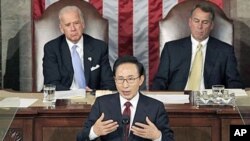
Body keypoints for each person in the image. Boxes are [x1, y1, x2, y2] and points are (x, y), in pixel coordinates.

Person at [77, 55, 174, 141]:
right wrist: (94, 132)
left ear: (141, 80)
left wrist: (157, 136)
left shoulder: (156, 107)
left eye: (131, 79)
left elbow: (169, 138)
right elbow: (80, 138)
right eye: (120, 79)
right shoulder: (101, 104)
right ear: (115, 80)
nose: (125, 85)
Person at [152, 2, 244, 91]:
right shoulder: (171, 49)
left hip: (210, 103)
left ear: (211, 25)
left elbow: (234, 83)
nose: (200, 26)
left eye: (205, 22)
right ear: (190, 22)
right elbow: (160, 81)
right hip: (177, 101)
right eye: (196, 21)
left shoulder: (225, 51)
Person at [43, 6, 116, 91]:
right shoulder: (52, 48)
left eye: (76, 23)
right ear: (61, 29)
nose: (73, 28)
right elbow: (52, 84)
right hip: (63, 100)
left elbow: (109, 84)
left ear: (83, 24)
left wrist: (92, 93)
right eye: (67, 25)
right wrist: (76, 94)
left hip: (91, 98)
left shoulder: (99, 47)